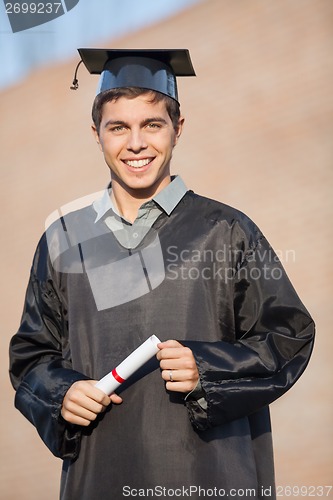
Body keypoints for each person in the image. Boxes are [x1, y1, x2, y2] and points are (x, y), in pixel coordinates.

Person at [9, 48, 315, 500]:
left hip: (211, 477)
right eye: (118, 127)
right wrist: (61, 394)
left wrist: (207, 368)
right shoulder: (63, 242)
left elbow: (289, 337)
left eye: (152, 124)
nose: (136, 143)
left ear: (178, 129)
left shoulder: (226, 231)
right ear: (96, 134)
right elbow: (31, 358)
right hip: (100, 478)